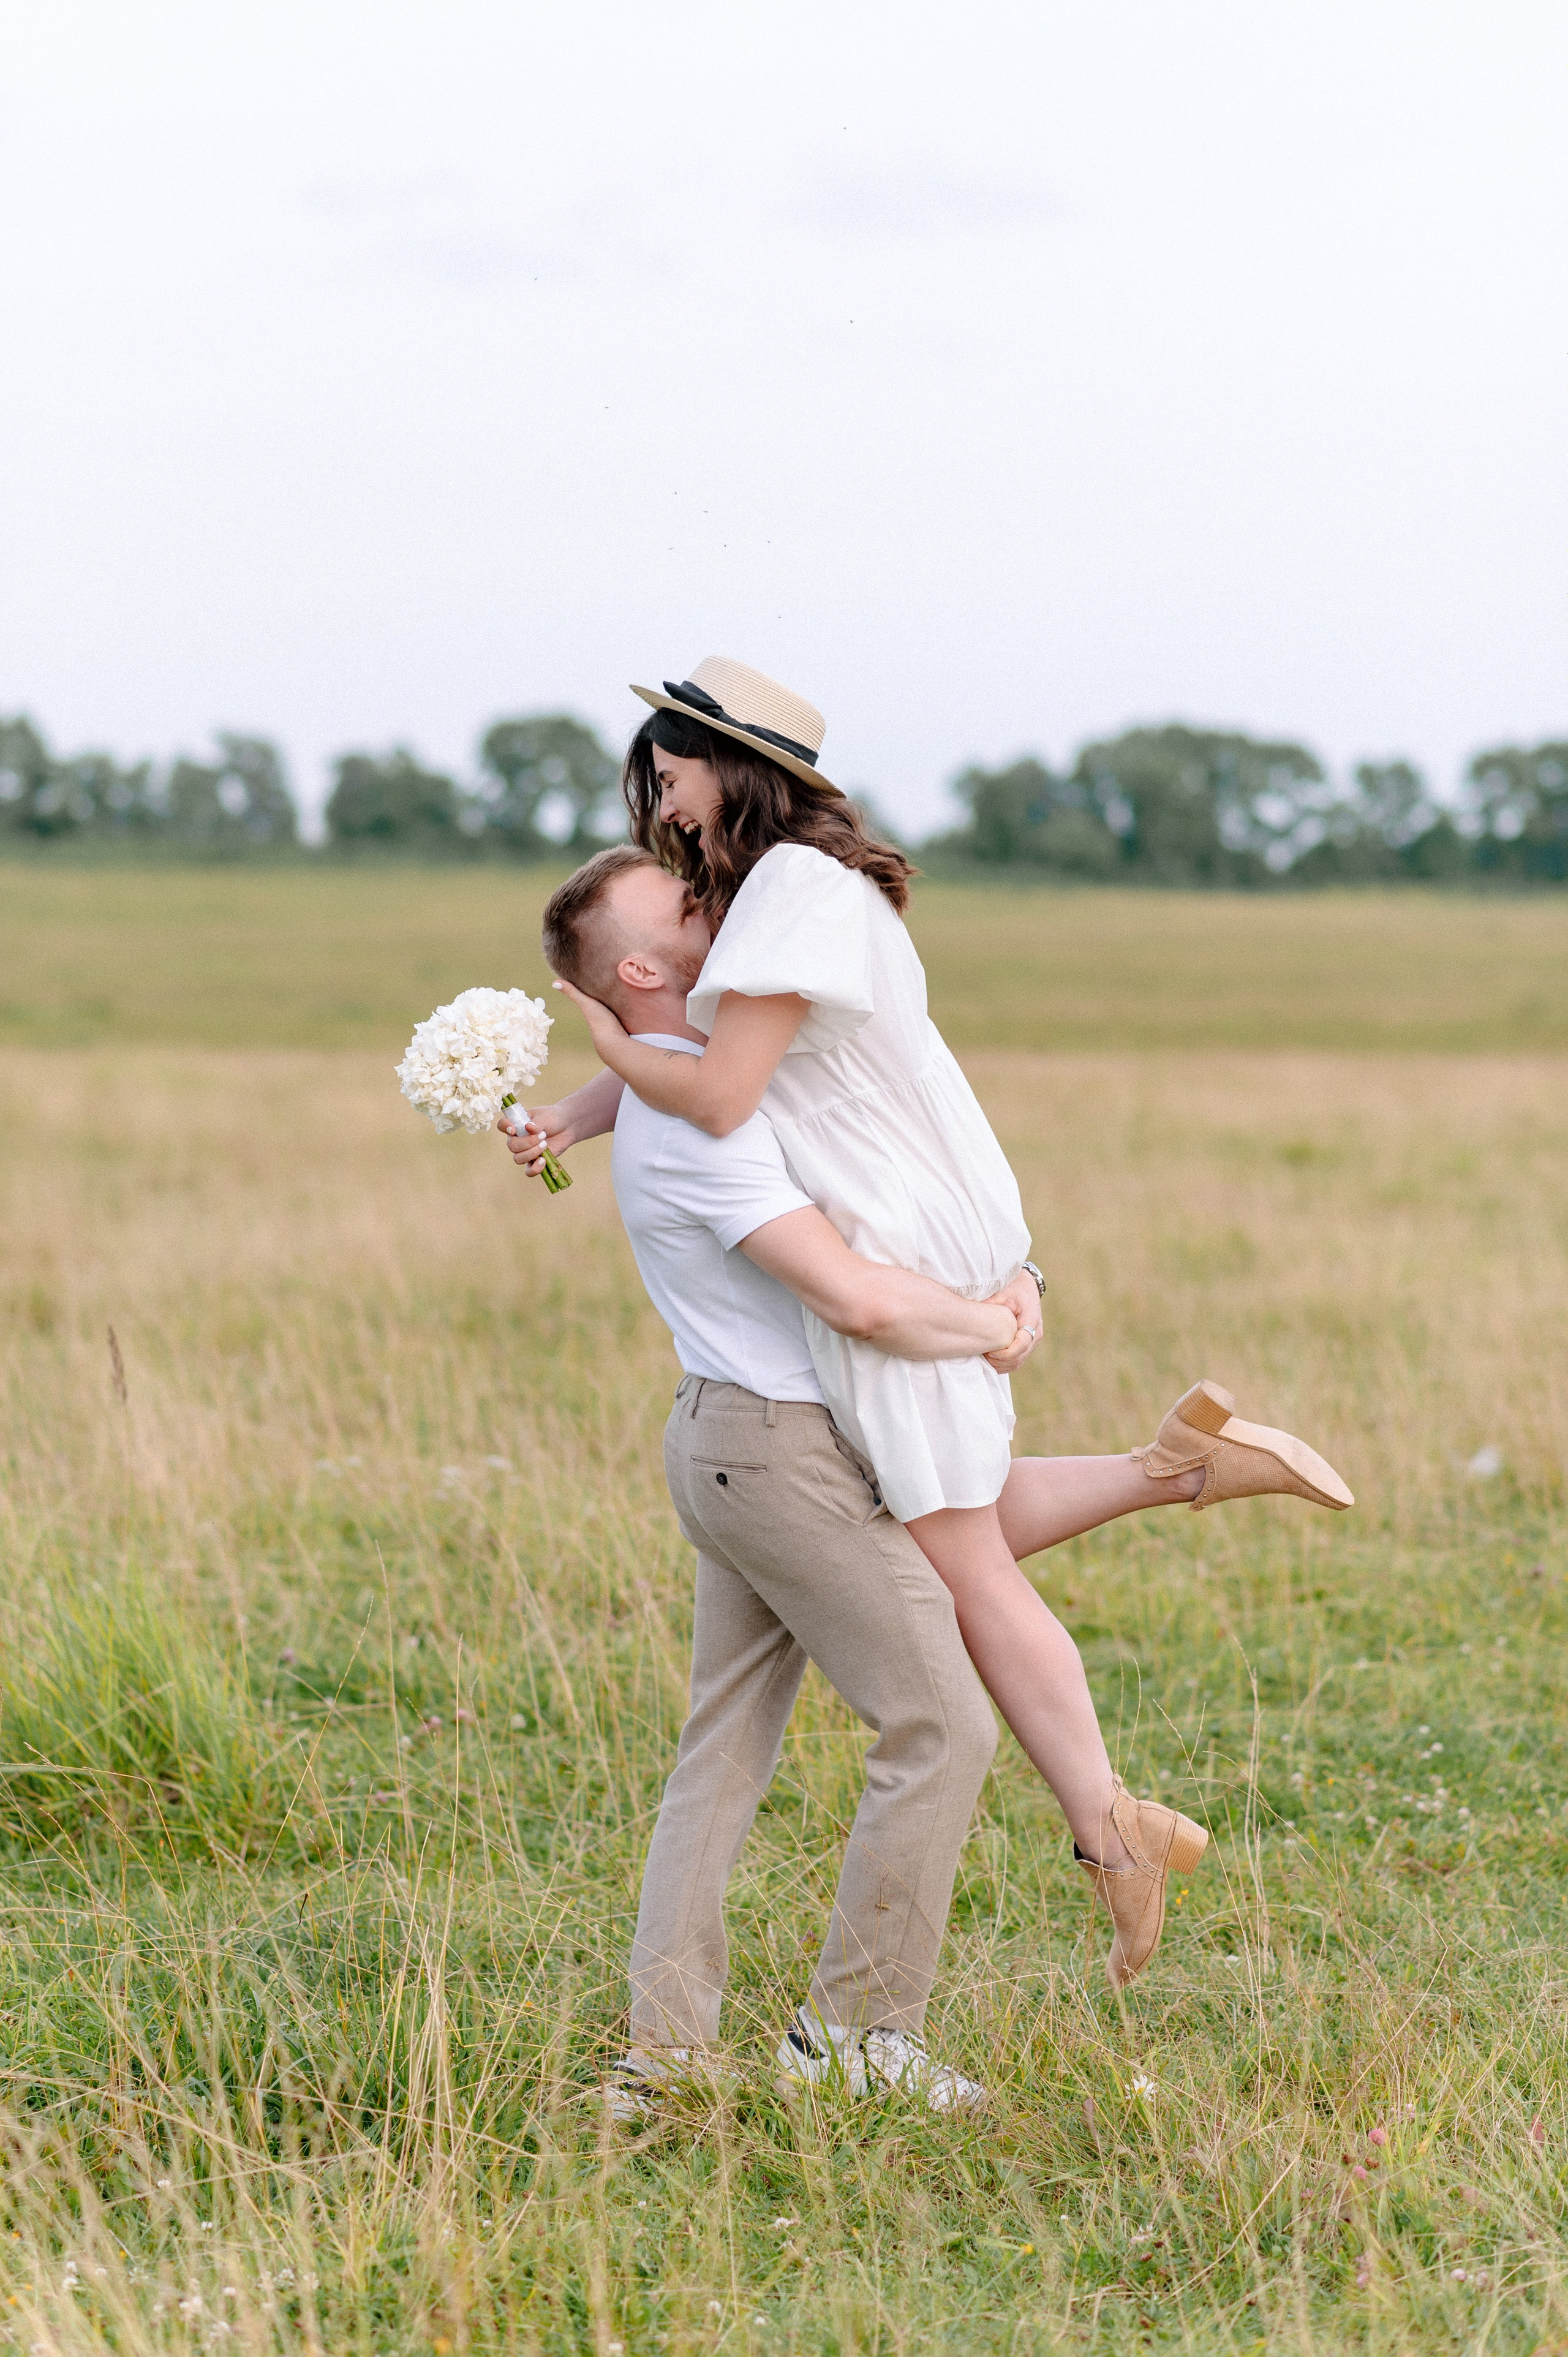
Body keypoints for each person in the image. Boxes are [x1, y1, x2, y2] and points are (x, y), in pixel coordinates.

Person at [522, 662, 1355, 1989]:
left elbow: (716, 1084)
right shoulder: (791, 891)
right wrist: (575, 1108)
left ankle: (1100, 1829)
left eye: (668, 768)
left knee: (957, 1564)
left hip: (890, 1250)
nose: (658, 798)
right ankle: (1176, 1483)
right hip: (921, 1228)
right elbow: (693, 1049)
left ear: (722, 763)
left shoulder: (786, 895)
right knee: (935, 1526)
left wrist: (593, 1039)